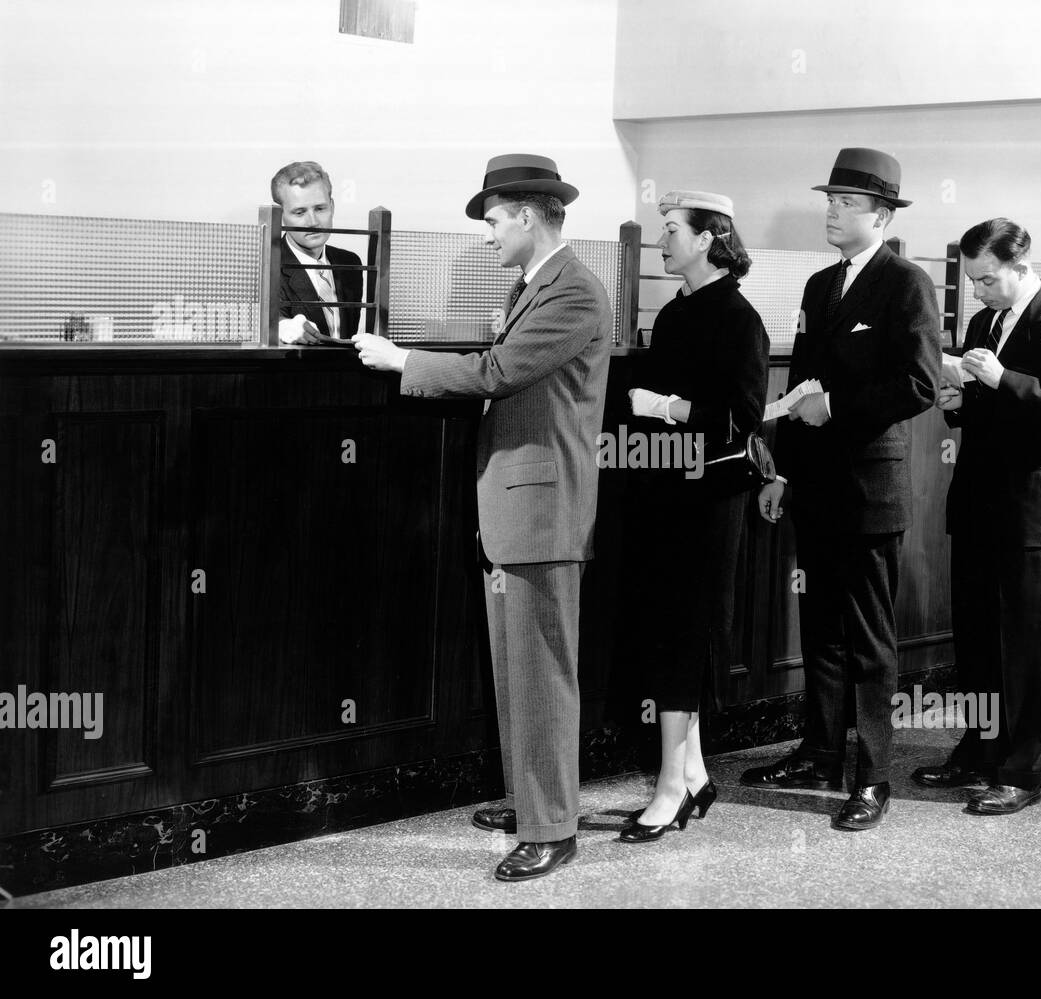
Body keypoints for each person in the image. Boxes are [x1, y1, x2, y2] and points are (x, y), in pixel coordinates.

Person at [354, 153, 612, 881]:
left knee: (542, 673)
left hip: (543, 508)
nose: (492, 235)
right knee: (519, 671)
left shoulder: (575, 292)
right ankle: (532, 802)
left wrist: (401, 358)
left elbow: (498, 372)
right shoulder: (537, 285)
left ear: (530, 215)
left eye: (496, 221)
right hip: (517, 506)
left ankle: (553, 827)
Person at [742, 148, 942, 832]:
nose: (831, 210)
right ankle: (821, 752)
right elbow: (801, 385)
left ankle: (874, 774)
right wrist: (785, 474)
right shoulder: (818, 286)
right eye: (829, 199)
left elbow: (919, 385)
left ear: (881, 215)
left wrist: (840, 406)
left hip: (869, 492)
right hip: (818, 488)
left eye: (846, 202)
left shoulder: (906, 283)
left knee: (868, 639)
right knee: (821, 631)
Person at [911, 218, 1041, 815]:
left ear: (1023, 267)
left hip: (1031, 506)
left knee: (1027, 640)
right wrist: (958, 402)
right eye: (973, 281)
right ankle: (980, 748)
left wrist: (1004, 378)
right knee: (977, 634)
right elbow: (984, 407)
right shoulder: (983, 321)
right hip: (977, 500)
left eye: (988, 279)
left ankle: (1022, 772)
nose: (979, 292)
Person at [619, 191, 769, 842]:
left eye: (673, 230)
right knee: (671, 628)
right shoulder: (674, 315)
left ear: (710, 238)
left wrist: (667, 408)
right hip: (666, 491)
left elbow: (743, 417)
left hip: (712, 497)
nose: (662, 241)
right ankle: (695, 771)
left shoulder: (741, 319)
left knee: (689, 631)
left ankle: (669, 786)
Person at [270, 160, 364, 345]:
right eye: (299, 212)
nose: (312, 221)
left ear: (332, 207)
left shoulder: (350, 263)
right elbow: (265, 325)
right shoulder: (267, 264)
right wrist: (284, 328)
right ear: (281, 216)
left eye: (320, 209)